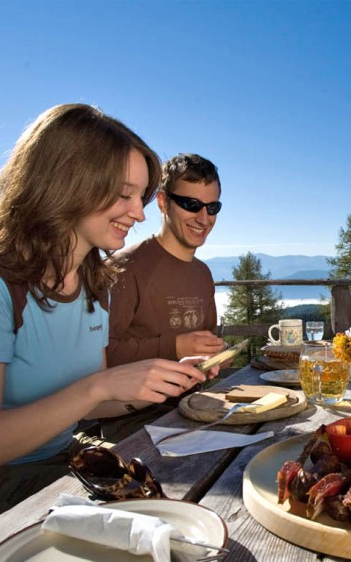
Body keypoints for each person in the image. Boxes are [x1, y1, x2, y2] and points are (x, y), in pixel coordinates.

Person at [0, 104, 211, 555]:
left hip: (55, 464)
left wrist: (159, 381)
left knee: (180, 516)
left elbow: (96, 399)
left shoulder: (93, 283)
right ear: (67, 181)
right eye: (123, 195)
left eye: (141, 197)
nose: (139, 214)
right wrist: (98, 386)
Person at [101, 153, 227, 441]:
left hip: (195, 407)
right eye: (191, 204)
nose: (204, 218)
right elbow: (100, 356)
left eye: (212, 207)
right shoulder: (124, 268)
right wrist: (175, 347)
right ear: (162, 202)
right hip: (132, 422)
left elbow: (203, 345)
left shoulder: (202, 273)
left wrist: (215, 355)